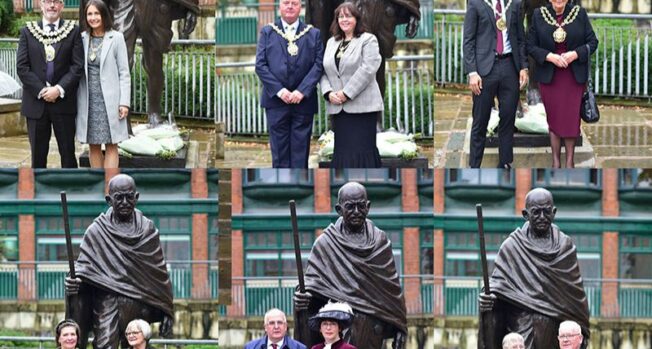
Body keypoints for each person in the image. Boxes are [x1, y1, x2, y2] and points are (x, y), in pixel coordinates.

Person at [64, 174, 174, 349]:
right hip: (107, 302)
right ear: (109, 200)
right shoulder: (96, 231)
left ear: (136, 198)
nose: (124, 202)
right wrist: (73, 282)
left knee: (136, 346)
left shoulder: (148, 230)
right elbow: (83, 270)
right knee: (104, 345)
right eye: (118, 197)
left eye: (129, 197)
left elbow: (159, 273)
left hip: (139, 302)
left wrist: (168, 309)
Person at [294, 182, 407, 349]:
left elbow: (391, 290)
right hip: (339, 327)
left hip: (372, 330)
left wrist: (400, 327)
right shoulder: (325, 244)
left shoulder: (380, 242)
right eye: (350, 207)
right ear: (339, 209)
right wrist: (302, 299)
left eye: (361, 206)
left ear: (368, 207)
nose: (356, 212)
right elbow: (312, 287)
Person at [478, 188, 590, 349]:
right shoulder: (511, 247)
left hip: (555, 334)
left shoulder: (565, 246)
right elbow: (497, 290)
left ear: (554, 212)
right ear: (525, 214)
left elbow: (576, 302)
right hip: (521, 331)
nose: (542, 217)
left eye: (546, 212)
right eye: (536, 212)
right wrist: (488, 300)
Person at [82, 0, 199, 128]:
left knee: (155, 64)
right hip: (123, 4)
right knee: (119, 62)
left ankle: (154, 113)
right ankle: (121, 118)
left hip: (156, 6)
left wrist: (191, 7)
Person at [527, 0, 598, 168]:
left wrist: (575, 54)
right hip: (550, 77)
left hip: (573, 77)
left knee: (571, 118)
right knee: (554, 118)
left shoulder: (579, 14)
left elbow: (593, 42)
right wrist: (549, 56)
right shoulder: (539, 15)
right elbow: (530, 45)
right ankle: (556, 162)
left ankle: (570, 162)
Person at [255, 0, 324, 168]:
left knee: (301, 154)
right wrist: (280, 91)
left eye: (294, 3)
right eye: (286, 2)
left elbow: (319, 64)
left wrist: (302, 91)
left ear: (300, 6)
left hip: (304, 102)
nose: (290, 6)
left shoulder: (313, 34)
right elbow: (260, 65)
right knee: (279, 156)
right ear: (280, 6)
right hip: (276, 102)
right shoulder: (267, 32)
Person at [16, 0, 83, 168]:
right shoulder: (27, 31)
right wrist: (42, 90)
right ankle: (39, 193)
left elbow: (77, 66)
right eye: (48, 1)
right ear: (41, 4)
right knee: (37, 158)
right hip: (36, 104)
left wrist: (58, 89)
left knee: (68, 154)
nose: (52, 5)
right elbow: (22, 67)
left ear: (62, 6)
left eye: (57, 2)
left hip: (63, 104)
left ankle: (70, 191)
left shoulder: (73, 31)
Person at [463, 0, 528, 168]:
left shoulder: (515, 3)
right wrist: (472, 72)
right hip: (484, 71)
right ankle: (475, 165)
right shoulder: (476, 3)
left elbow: (521, 39)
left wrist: (524, 67)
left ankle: (505, 162)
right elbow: (468, 40)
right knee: (480, 120)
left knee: (507, 118)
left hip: (509, 67)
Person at [320, 2, 382, 168]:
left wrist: (346, 93)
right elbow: (323, 71)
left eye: (348, 16)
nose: (344, 20)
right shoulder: (331, 42)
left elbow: (368, 69)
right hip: (339, 110)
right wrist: (328, 93)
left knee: (362, 152)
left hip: (362, 108)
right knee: (342, 153)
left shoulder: (368, 40)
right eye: (340, 16)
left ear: (357, 19)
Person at [77, 0, 131, 168]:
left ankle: (110, 187)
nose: (93, 18)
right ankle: (98, 186)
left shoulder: (116, 38)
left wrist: (124, 102)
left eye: (96, 13)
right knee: (93, 144)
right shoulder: (82, 39)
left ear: (104, 15)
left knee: (111, 144)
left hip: (110, 100)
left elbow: (124, 73)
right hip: (88, 101)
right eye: (89, 14)